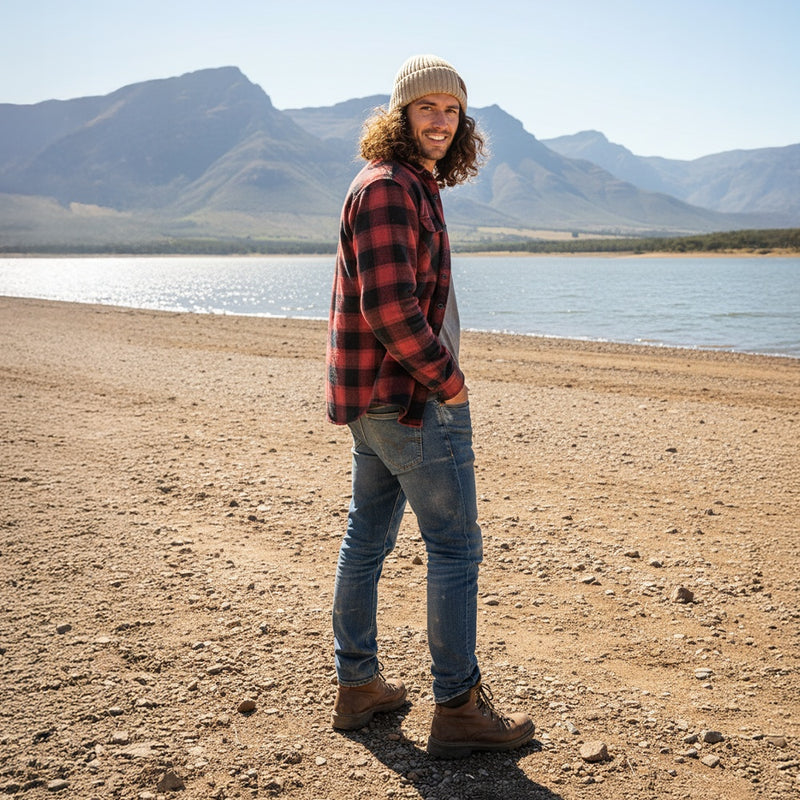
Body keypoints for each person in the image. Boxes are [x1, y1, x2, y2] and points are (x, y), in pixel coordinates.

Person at [325, 54, 535, 759]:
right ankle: (459, 708)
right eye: (427, 108)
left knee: (369, 538)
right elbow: (388, 307)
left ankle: (358, 687)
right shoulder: (389, 187)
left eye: (452, 109)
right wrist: (449, 381)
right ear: (401, 115)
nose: (441, 120)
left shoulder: (407, 183)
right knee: (453, 548)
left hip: (374, 401)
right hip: (410, 401)